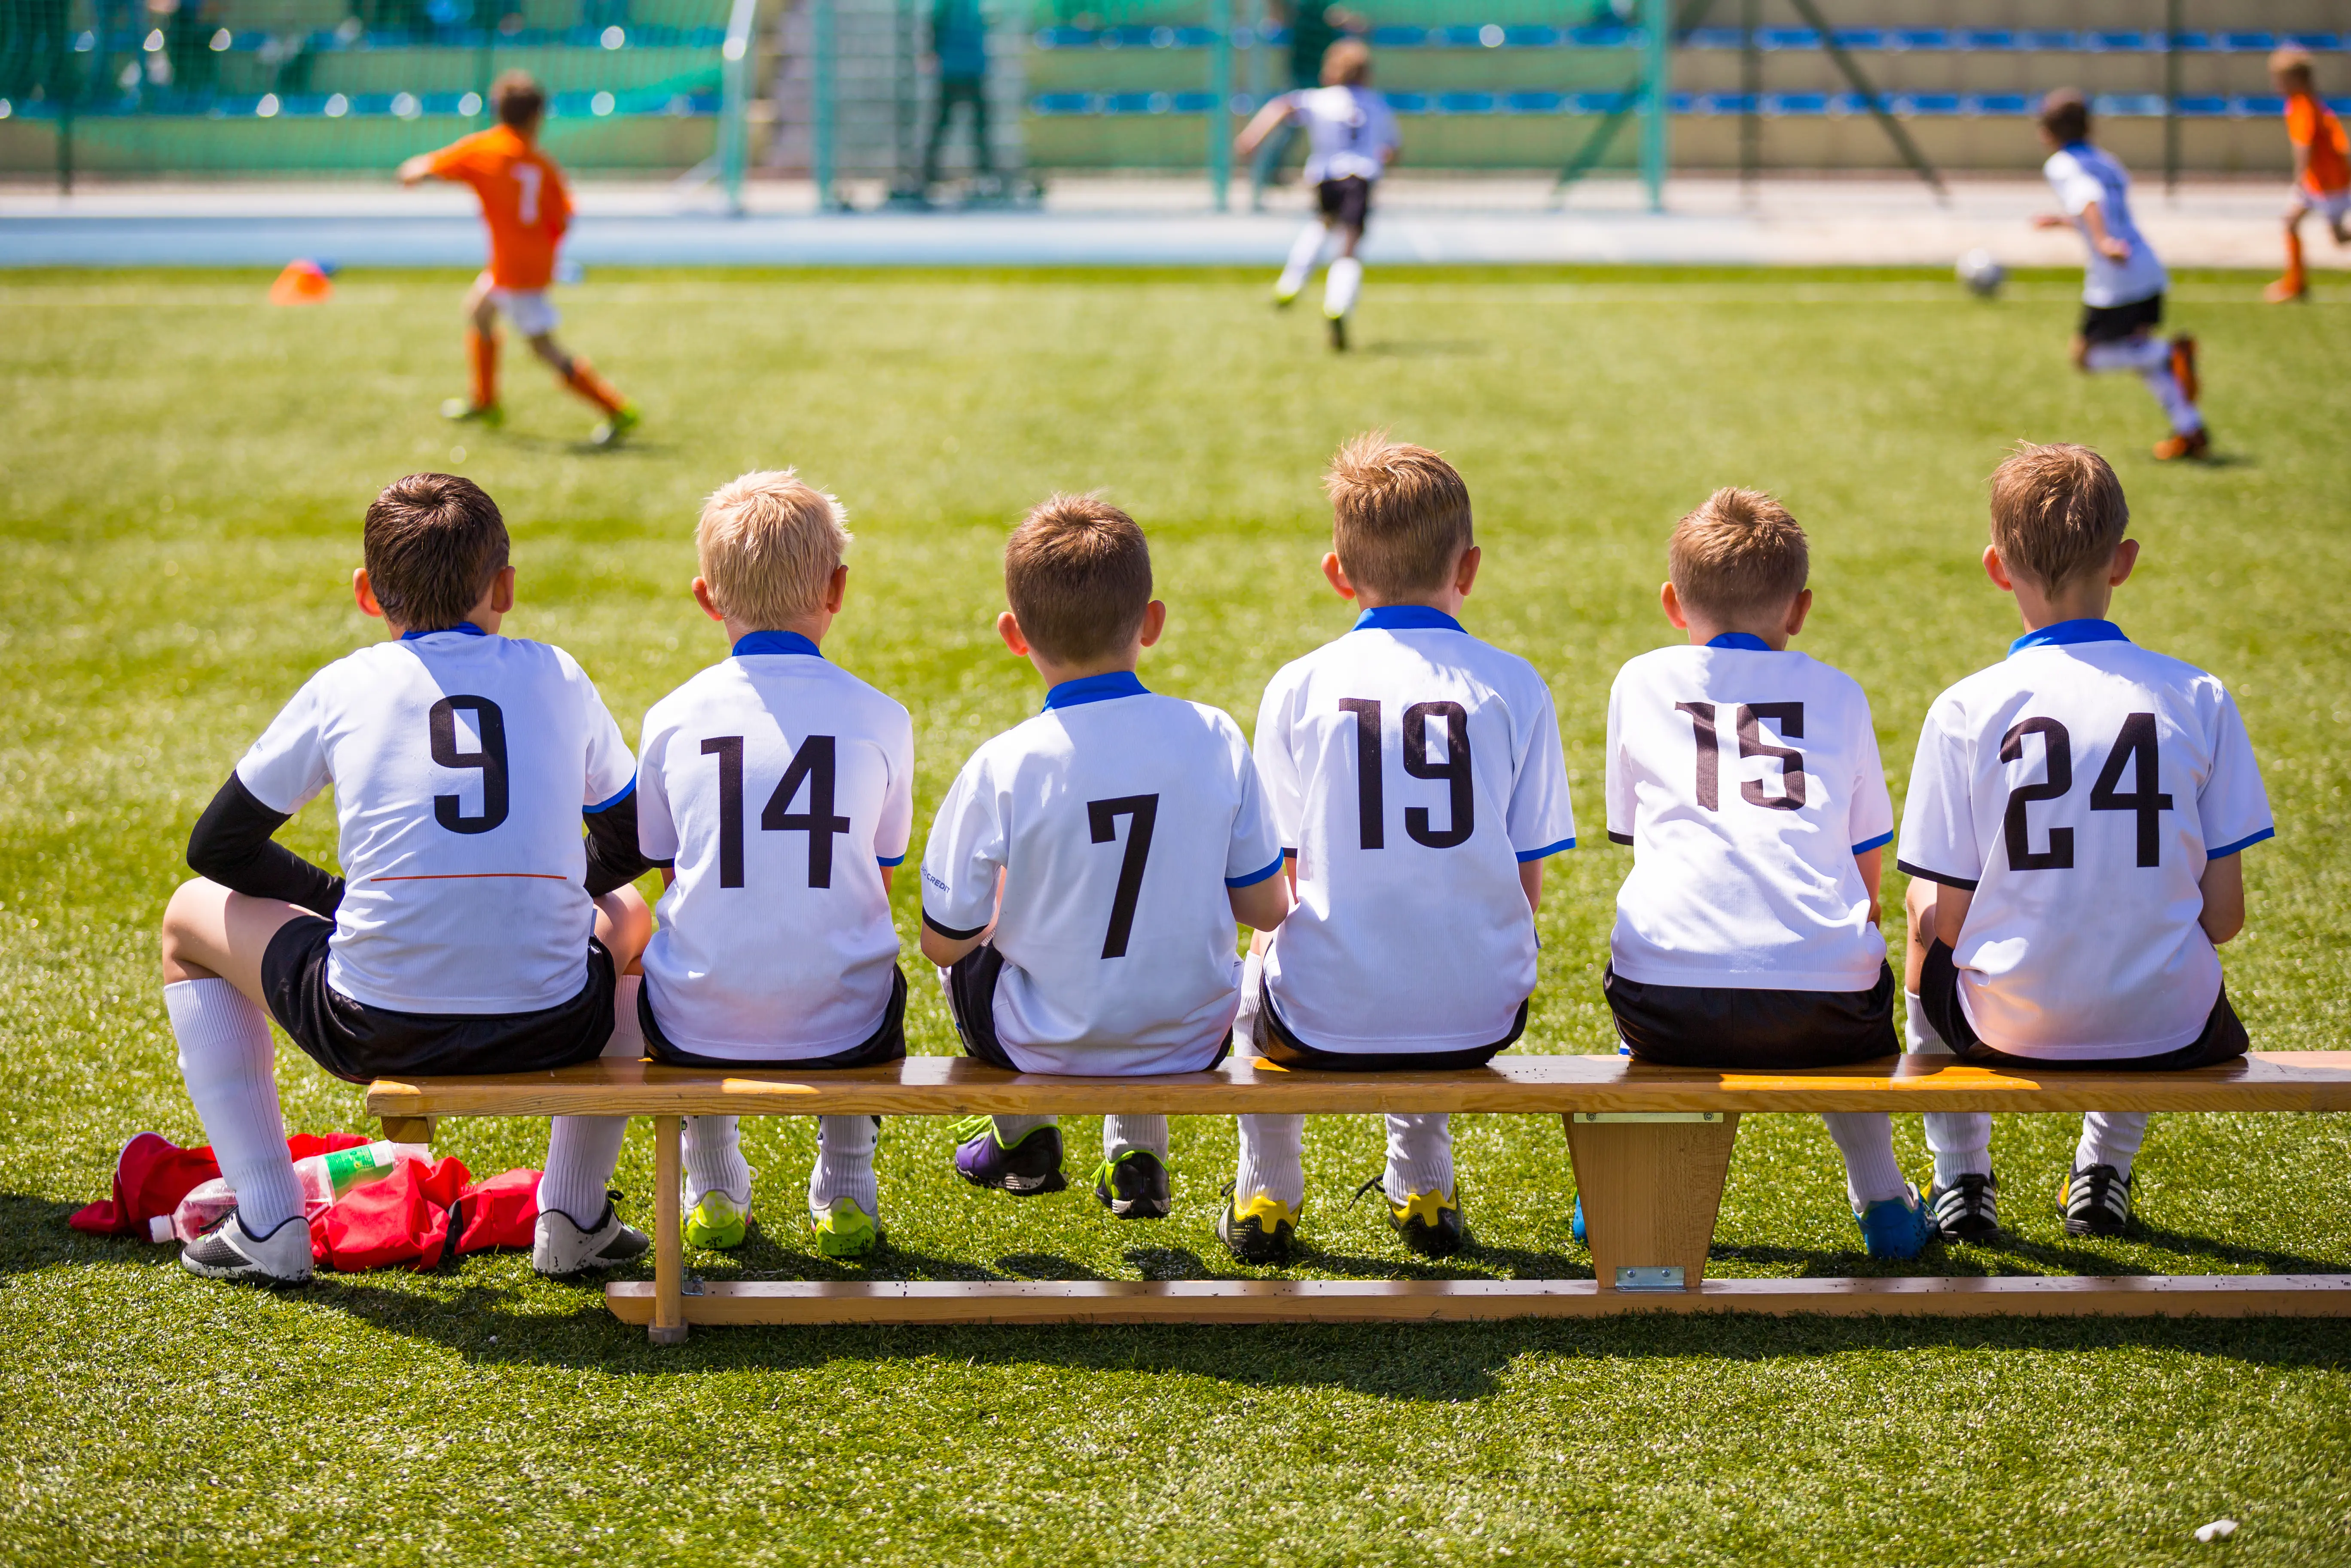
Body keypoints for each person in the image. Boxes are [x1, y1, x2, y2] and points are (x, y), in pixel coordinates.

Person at [156, 473, 655, 1284]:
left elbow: (219, 845)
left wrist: (336, 900)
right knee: (630, 915)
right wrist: (569, 890)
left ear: (365, 593)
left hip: (374, 1023)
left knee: (187, 919)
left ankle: (269, 1221)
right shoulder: (557, 673)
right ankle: (574, 1216)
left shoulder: (344, 684)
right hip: (556, 1020)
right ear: (505, 588)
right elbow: (636, 835)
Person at [1896, 442, 2273, 1241]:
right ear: (2123, 561)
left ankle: (1960, 1175)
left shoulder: (1965, 708)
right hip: (2171, 1028)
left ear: (1998, 569)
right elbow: (2225, 918)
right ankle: (2103, 1169)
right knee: (2148, 914)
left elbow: (1949, 924)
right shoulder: (2198, 694)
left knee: (1919, 903)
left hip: (2007, 1025)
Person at [1227, 436, 1575, 1264]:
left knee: (1251, 978)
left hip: (1321, 1019)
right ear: (1470, 566)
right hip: (1480, 1016)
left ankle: (1267, 1193)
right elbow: (1524, 889)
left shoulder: (1299, 684)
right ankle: (1422, 1179)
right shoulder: (1513, 683)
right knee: (1438, 925)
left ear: (1337, 573)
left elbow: (1273, 882)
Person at [919, 496, 1290, 1220]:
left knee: (971, 929)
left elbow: (943, 940)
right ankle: (1136, 1153)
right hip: (1194, 1037)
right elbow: (1266, 908)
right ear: (1150, 623)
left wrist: (1001, 915)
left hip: (1041, 1044)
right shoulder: (1214, 735)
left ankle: (1022, 1135)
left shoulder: (1003, 763)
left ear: (1013, 636)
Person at [1601, 488, 1930, 1259]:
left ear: (1672, 604)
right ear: (1800, 608)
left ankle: (1616, 1193)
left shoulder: (1640, 680)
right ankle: (1882, 1199)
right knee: (1845, 994)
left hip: (1665, 1002)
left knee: (1649, 961)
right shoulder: (1839, 692)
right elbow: (1866, 873)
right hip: (1826, 1009)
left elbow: (1637, 837)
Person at [630, 471, 915, 1260]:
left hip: (698, 1025)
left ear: (706, 597)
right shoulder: (881, 716)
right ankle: (847, 1184)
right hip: (845, 1026)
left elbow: (670, 874)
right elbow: (877, 880)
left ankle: (713, 1185)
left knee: (673, 945)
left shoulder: (672, 716)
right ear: (838, 589)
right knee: (865, 950)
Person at [398, 71, 640, 447]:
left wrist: (415, 174)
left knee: (544, 347)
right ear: (536, 117)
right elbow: (564, 217)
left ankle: (616, 409)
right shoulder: (541, 164)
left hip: (514, 273)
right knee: (479, 312)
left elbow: (424, 167)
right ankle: (486, 401)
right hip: (524, 266)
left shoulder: (485, 149)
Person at [2029, 88, 2207, 461]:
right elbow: (2108, 204)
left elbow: (2089, 198)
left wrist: (2102, 240)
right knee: (2139, 356)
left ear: (2047, 131)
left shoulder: (2061, 164)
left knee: (2085, 358)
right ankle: (2190, 429)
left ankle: (2168, 352)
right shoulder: (2107, 161)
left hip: (2117, 274)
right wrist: (2066, 223)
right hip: (2145, 265)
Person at [1233, 39, 1399, 351]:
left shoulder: (1319, 99)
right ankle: (1338, 305)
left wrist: (1253, 137)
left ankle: (1291, 282)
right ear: (1366, 74)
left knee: (1323, 222)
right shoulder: (1376, 104)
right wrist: (1385, 156)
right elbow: (1393, 148)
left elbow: (1281, 106)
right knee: (1349, 246)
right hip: (1360, 177)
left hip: (1326, 176)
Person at [1246, 0, 1366, 207]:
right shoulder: (1303, 7)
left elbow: (1353, 23)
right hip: (1303, 74)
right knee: (1288, 127)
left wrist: (1348, 22)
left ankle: (1335, 177)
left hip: (1323, 77)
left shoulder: (1325, 8)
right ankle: (1265, 175)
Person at [2264, 46, 2349, 304]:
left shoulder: (2303, 106)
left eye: (2281, 80)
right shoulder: (2309, 103)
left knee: (2338, 237)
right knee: (2291, 223)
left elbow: (2306, 146)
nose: (2277, 85)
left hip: (2325, 182)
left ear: (2298, 81)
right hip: (2322, 181)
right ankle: (2296, 283)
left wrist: (2299, 179)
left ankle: (2297, 284)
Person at [920, 0, 993, 196]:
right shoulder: (947, 5)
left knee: (980, 124)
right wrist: (933, 53)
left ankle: (985, 174)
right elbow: (934, 24)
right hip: (954, 67)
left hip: (972, 66)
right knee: (945, 122)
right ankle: (929, 173)